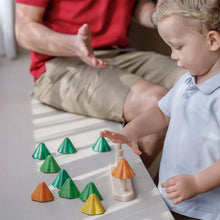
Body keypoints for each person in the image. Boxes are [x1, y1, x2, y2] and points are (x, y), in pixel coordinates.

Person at [15, 0, 183, 174]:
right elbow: (24, 29)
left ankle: (180, 186)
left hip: (120, 53)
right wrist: (73, 44)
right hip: (60, 61)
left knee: (197, 79)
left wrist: (155, 16)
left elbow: (133, 5)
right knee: (160, 104)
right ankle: (128, 186)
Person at [101, 0, 220, 219]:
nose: (173, 55)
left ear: (212, 40)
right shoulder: (187, 80)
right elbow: (163, 113)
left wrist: (196, 183)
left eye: (178, 47)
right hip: (174, 198)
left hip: (206, 209)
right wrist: (132, 131)